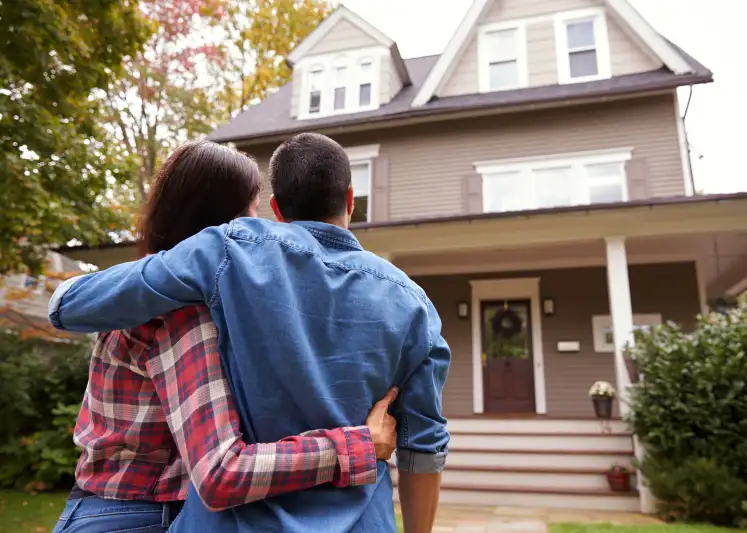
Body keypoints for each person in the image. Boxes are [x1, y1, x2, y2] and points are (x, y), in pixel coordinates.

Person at [49, 133, 450, 533]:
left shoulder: (226, 256)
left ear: (275, 208)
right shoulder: (415, 305)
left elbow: (68, 306)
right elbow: (424, 448)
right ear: (349, 201)